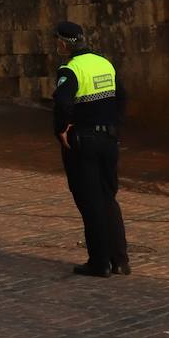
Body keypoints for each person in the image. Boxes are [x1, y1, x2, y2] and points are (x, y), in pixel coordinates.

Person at [53, 21, 130, 278]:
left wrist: (63, 129)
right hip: (109, 138)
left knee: (90, 200)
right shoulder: (104, 62)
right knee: (108, 197)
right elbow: (122, 97)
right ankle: (120, 260)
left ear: (64, 43)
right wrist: (112, 123)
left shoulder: (70, 69)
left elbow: (62, 103)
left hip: (84, 141)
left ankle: (99, 262)